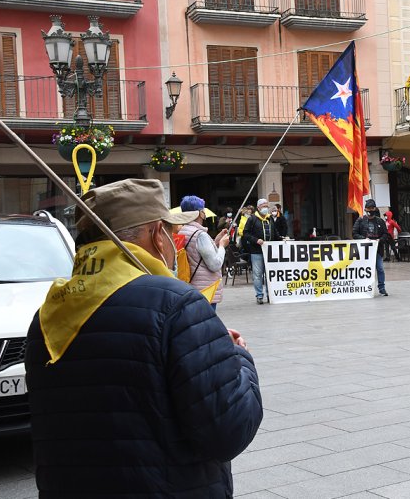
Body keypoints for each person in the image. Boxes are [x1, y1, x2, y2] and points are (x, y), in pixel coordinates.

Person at [25, 178, 262, 498]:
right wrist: (237, 358)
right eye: (168, 230)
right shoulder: (176, 305)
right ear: (154, 234)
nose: (172, 239)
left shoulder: (48, 315)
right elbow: (230, 430)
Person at [180, 195, 230, 310]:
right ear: (199, 213)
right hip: (205, 289)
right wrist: (222, 246)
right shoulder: (200, 234)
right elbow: (215, 264)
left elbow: (197, 253)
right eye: (202, 210)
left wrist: (216, 241)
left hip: (190, 286)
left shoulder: (183, 230)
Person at [243, 198, 277, 304]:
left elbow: (274, 233)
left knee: (268, 274)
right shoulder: (252, 219)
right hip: (256, 251)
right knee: (257, 274)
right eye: (263, 206)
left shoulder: (270, 218)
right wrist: (256, 240)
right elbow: (246, 234)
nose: (266, 208)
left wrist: (282, 239)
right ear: (258, 208)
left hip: (269, 252)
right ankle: (259, 295)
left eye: (267, 206)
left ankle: (269, 294)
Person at [353, 199, 389, 296]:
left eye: (372, 208)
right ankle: (362, 287)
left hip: (377, 250)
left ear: (375, 208)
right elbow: (354, 234)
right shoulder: (360, 220)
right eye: (368, 208)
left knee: (380, 268)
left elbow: (386, 234)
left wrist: (380, 240)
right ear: (365, 209)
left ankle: (382, 288)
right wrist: (364, 239)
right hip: (364, 251)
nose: (370, 210)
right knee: (363, 270)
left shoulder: (380, 221)